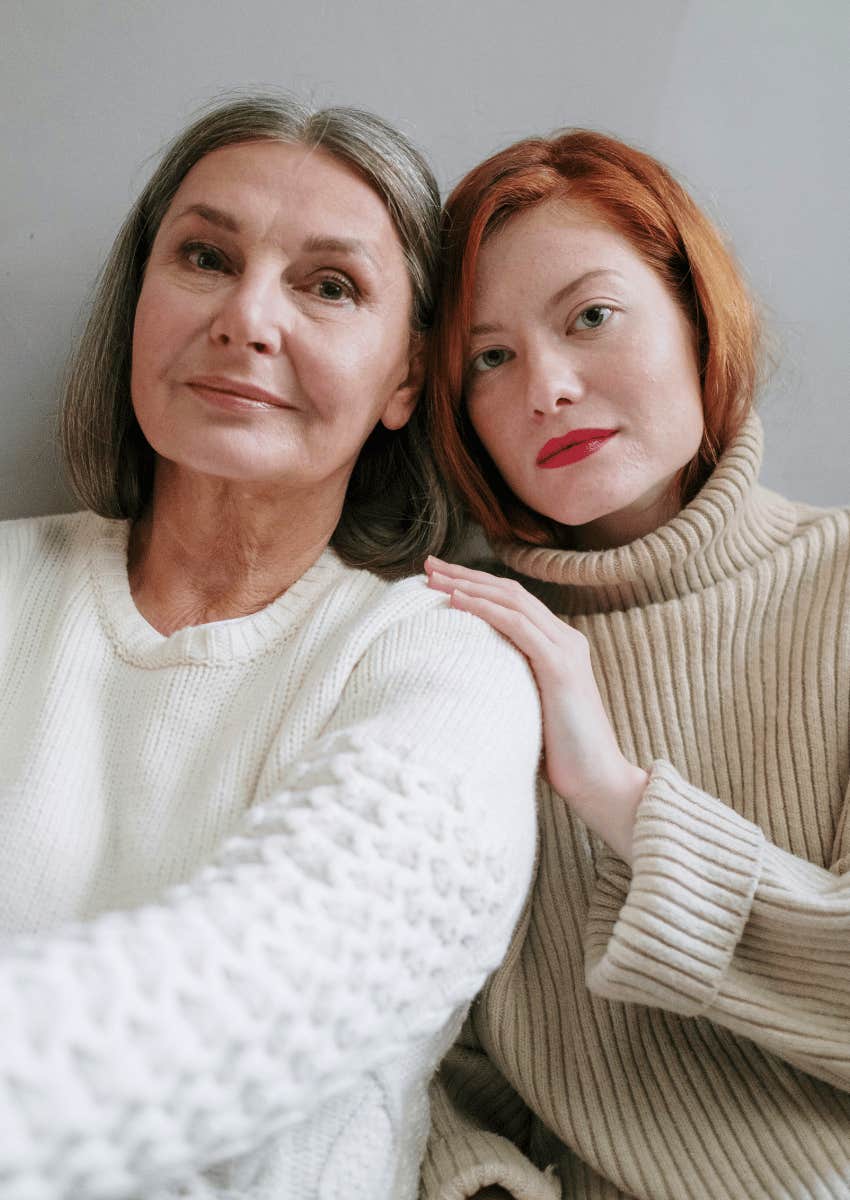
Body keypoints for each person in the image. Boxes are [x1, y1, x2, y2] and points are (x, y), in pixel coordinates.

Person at [0, 96, 542, 1200]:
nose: (246, 318)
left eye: (329, 285)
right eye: (205, 256)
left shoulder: (448, 670)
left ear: (405, 378)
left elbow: (259, 988)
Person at [421, 129, 850, 1200]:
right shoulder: (451, 642)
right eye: (489, 357)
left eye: (591, 317)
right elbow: (419, 1048)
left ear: (700, 313)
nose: (547, 387)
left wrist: (614, 796)